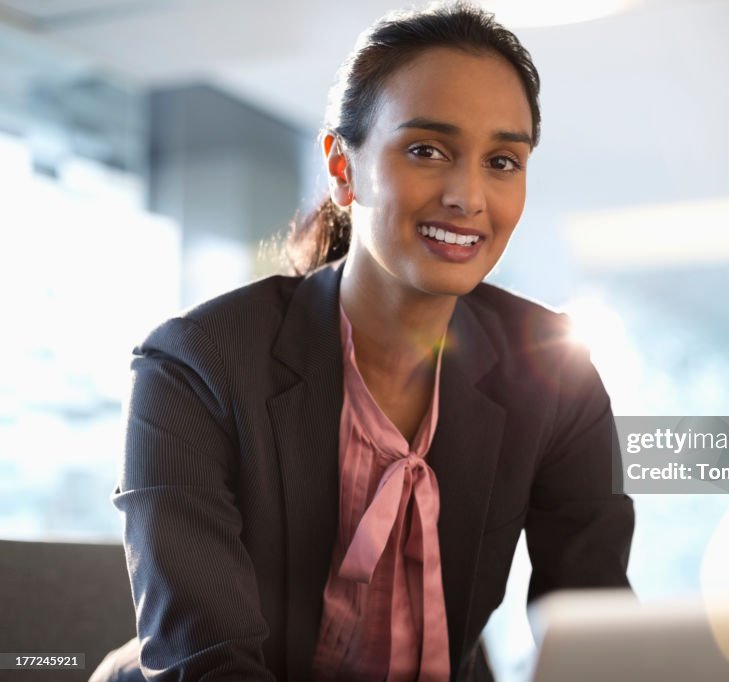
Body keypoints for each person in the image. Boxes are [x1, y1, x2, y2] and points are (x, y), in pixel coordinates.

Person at [92, 3, 634, 680]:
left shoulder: (555, 374)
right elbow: (206, 664)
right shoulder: (195, 366)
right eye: (426, 150)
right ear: (342, 169)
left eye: (502, 160)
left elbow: (598, 628)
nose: (468, 196)